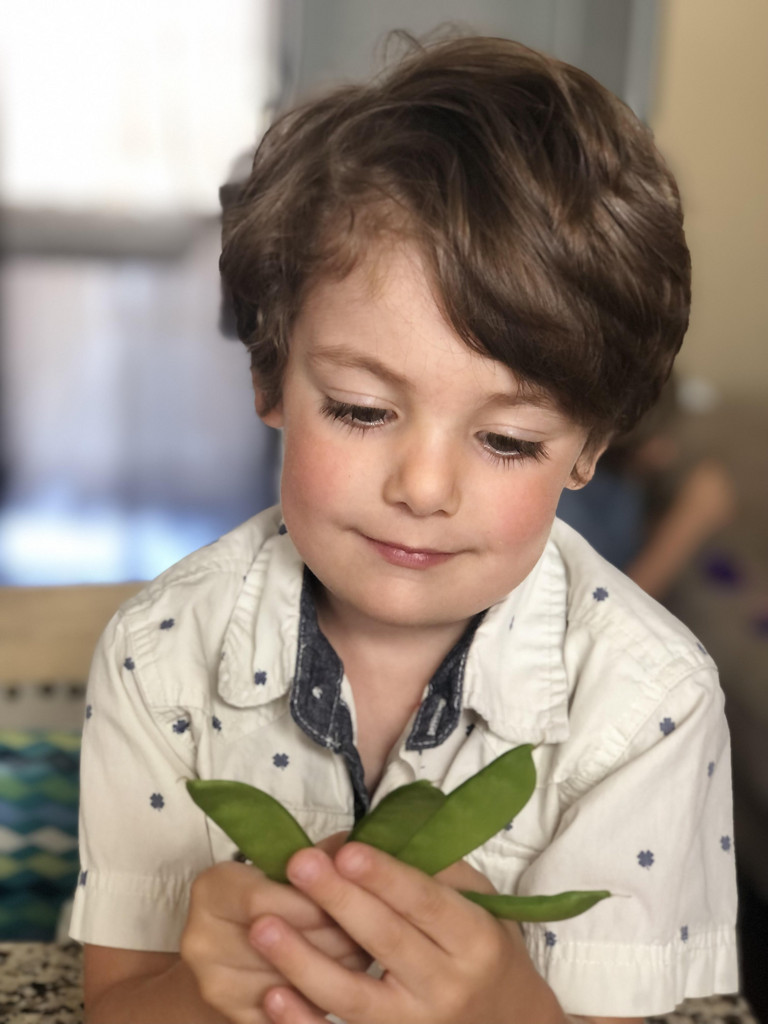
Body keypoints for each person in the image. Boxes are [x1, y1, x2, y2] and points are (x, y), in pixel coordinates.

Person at [69, 35, 738, 1024]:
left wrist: (505, 1006)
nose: (424, 488)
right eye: (361, 409)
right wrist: (206, 990)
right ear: (270, 380)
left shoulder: (649, 706)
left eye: (507, 439)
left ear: (588, 447)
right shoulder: (158, 657)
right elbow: (117, 1008)